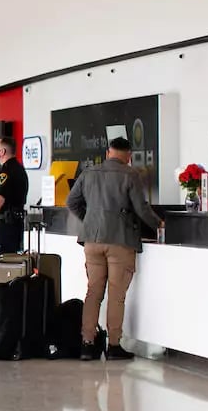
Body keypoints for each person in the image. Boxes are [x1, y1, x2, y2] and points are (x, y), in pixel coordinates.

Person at [65, 137, 162, 361]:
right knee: (116, 296)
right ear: (128, 156)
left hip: (92, 240)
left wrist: (89, 220)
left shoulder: (89, 172)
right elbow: (141, 208)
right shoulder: (130, 174)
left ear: (108, 152)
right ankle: (114, 345)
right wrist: (160, 224)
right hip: (120, 240)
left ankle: (87, 344)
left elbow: (72, 201)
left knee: (93, 292)